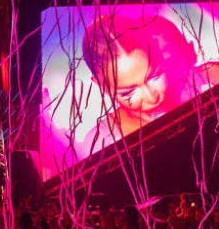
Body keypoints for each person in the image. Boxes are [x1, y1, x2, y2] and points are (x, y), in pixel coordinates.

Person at [81, 11, 219, 152]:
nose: (152, 98)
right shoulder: (99, 143)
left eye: (155, 76)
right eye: (128, 92)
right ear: (101, 86)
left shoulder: (209, 79)